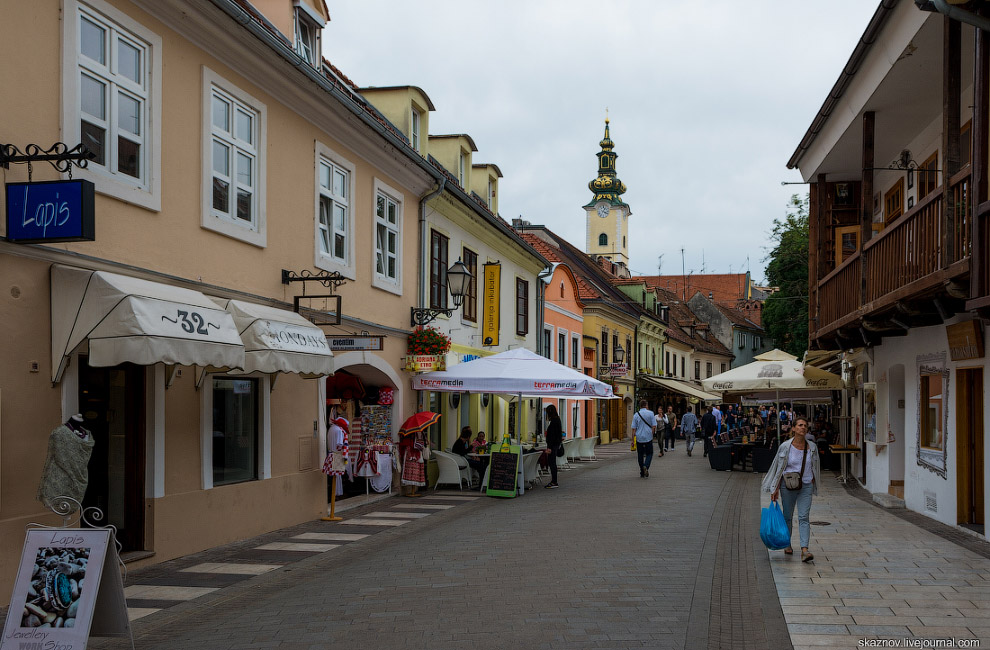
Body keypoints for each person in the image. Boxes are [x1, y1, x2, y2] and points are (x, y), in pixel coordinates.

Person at [762, 417, 820, 563]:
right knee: (788, 516)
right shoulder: (785, 446)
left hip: (806, 485)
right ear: (793, 428)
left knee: (803, 517)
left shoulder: (812, 447)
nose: (803, 428)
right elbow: (778, 468)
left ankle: (805, 550)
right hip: (787, 485)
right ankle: (787, 545)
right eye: (800, 425)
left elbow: (816, 466)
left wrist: (813, 479)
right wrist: (774, 488)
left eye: (805, 426)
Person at [630, 400, 657, 478]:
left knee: (640, 454)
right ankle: (646, 466)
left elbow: (633, 429)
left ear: (640, 406)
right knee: (649, 453)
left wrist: (632, 440)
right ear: (646, 405)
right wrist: (651, 434)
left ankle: (642, 471)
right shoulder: (651, 413)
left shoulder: (636, 415)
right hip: (648, 436)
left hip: (639, 437)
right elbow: (654, 426)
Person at [543, 404, 562, 489]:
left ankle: (554, 481)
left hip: (552, 446)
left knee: (552, 463)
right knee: (552, 463)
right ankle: (554, 481)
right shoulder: (557, 420)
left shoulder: (554, 422)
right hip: (555, 445)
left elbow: (552, 436)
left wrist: (549, 447)